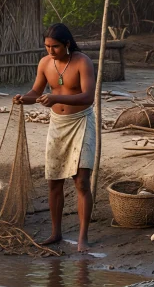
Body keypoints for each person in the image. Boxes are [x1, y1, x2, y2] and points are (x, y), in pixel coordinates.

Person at [14, 23, 97, 252]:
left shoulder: (82, 61)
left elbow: (88, 97)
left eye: (56, 47)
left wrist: (57, 100)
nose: (51, 51)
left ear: (67, 44)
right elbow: (36, 92)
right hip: (57, 126)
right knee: (54, 181)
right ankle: (56, 232)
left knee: (81, 181)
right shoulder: (44, 63)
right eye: (47, 47)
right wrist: (24, 98)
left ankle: (83, 237)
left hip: (80, 123)